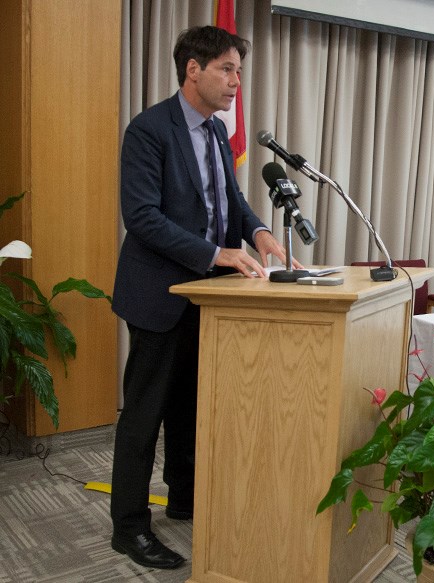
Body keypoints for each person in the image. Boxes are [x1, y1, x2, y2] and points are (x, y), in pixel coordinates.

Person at [110, 26, 300, 570]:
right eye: (227, 69)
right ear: (193, 70)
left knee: (193, 409)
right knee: (144, 416)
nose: (237, 81)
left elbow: (230, 202)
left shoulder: (218, 133)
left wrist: (260, 234)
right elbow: (142, 217)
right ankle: (128, 527)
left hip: (206, 299)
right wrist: (219, 256)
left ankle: (185, 497)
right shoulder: (149, 130)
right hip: (158, 296)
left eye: (239, 70)